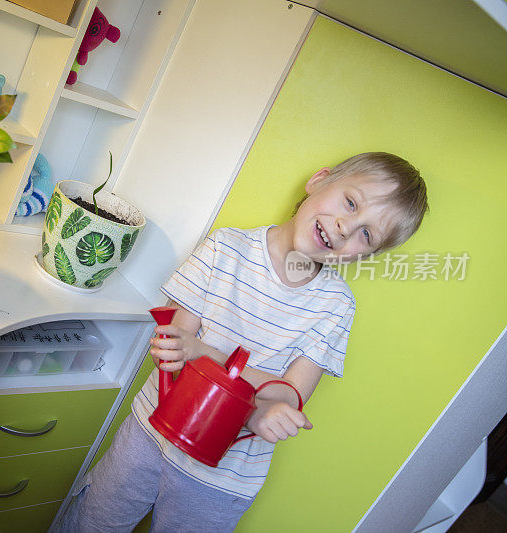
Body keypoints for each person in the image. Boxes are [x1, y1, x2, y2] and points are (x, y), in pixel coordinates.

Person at [55, 152, 429, 532]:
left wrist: (204, 354)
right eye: (351, 203)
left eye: (367, 234)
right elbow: (173, 351)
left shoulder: (336, 307)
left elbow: (288, 396)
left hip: (222, 481)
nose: (346, 228)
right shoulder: (225, 248)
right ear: (319, 180)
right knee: (92, 524)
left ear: (367, 255)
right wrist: (251, 409)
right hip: (149, 436)